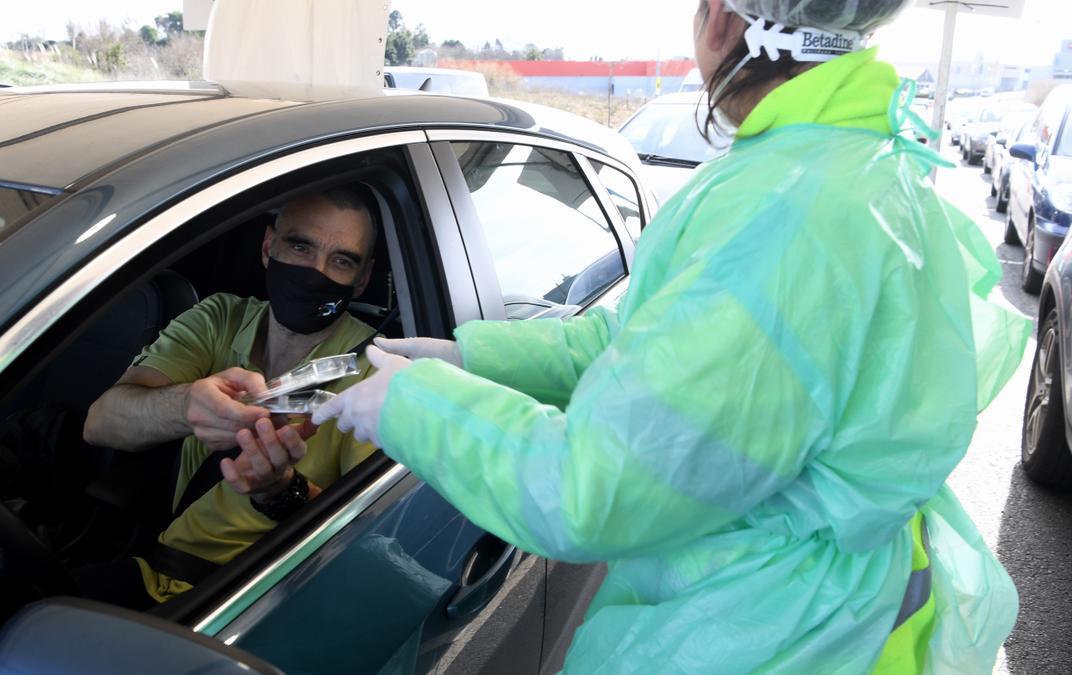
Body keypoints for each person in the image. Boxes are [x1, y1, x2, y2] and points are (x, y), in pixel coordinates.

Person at [314, 1, 1029, 672]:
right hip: (816, 608)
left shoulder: (788, 215)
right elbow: (635, 345)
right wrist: (470, 355)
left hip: (767, 633)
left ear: (719, 18)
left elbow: (592, 487)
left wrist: (413, 402)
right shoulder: (840, 164)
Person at [82, 188, 380, 607]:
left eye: (342, 260)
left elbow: (371, 543)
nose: (316, 271)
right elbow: (100, 423)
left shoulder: (376, 374)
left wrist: (282, 490)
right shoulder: (219, 317)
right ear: (267, 247)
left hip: (261, 601)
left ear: (362, 279)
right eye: (299, 246)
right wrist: (187, 405)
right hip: (157, 571)